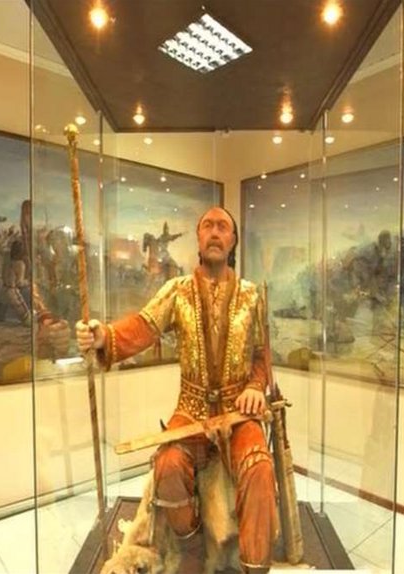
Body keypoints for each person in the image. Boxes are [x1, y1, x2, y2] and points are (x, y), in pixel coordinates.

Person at [76, 207, 277, 573]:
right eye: (208, 226)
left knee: (259, 466)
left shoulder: (251, 296)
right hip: (190, 409)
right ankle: (192, 549)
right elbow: (142, 327)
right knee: (168, 465)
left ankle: (255, 566)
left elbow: (262, 356)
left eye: (223, 227)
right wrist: (104, 336)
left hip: (238, 412)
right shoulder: (177, 291)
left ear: (232, 241)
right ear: (198, 238)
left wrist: (254, 386)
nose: (215, 232)